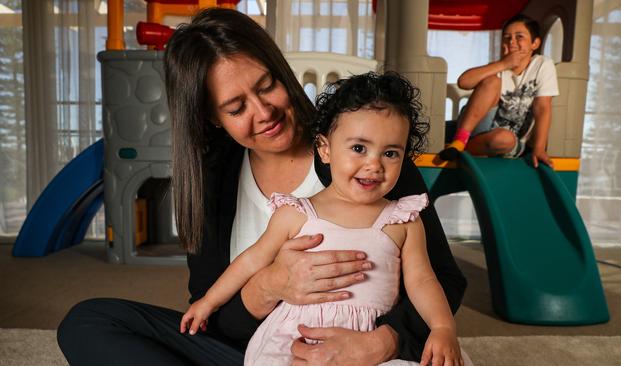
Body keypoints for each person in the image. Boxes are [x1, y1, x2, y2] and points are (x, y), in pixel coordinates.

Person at [57, 8, 467, 365]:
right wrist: (271, 284)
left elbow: (442, 278)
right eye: (236, 107)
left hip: (360, 348)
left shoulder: (365, 153)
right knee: (89, 322)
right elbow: (214, 318)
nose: (264, 112)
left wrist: (380, 343)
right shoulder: (213, 177)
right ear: (212, 117)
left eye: (267, 85)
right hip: (262, 352)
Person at [180, 72, 470, 366]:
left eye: (391, 153)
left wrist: (442, 327)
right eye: (359, 148)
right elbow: (252, 261)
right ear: (325, 149)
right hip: (297, 335)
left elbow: (423, 280)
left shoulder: (403, 220)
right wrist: (209, 302)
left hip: (369, 338)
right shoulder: (296, 213)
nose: (374, 164)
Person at [438, 14, 559, 168]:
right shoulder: (498, 67)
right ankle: (459, 141)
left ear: (535, 43)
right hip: (472, 128)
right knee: (492, 81)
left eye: (519, 37)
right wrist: (504, 64)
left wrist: (539, 148)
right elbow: (463, 82)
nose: (512, 42)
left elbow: (542, 107)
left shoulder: (543, 65)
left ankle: (457, 150)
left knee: (504, 139)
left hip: (503, 140)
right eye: (507, 37)